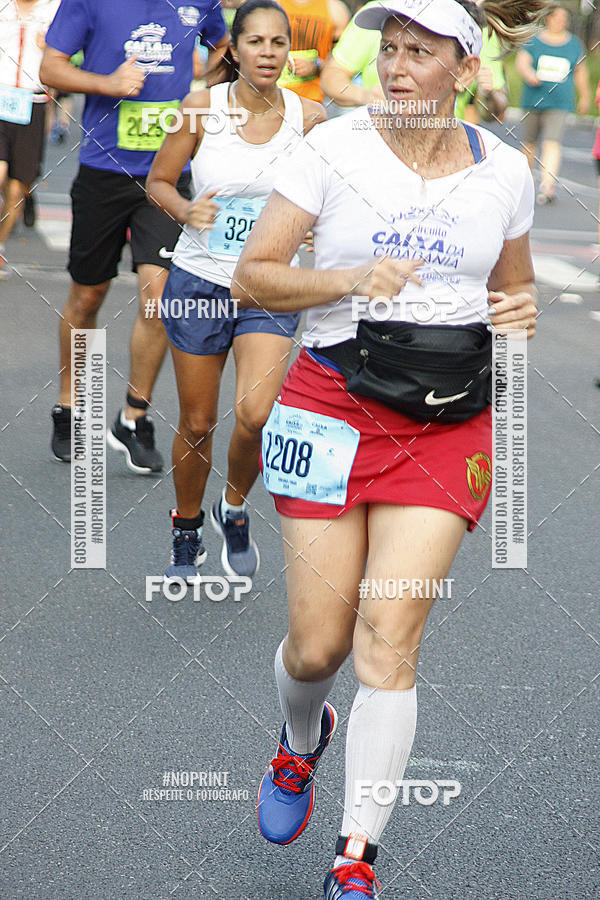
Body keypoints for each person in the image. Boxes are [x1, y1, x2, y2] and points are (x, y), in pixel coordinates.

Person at [234, 0, 544, 895]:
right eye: (390, 49)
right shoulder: (332, 149)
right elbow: (257, 272)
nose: (397, 66)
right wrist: (347, 278)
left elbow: (513, 295)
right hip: (329, 406)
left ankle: (355, 859)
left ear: (465, 69)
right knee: (316, 647)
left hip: (446, 422)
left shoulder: (506, 170)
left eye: (421, 52)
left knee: (389, 638)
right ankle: (301, 741)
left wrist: (520, 315)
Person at [145, 0, 325, 579]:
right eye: (256, 42)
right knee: (197, 422)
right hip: (199, 281)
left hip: (268, 286)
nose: (268, 54)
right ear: (235, 49)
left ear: (289, 52)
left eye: (278, 43)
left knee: (256, 413)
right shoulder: (200, 109)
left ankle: (235, 506)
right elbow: (158, 182)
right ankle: (187, 528)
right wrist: (186, 210)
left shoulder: (312, 118)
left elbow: (331, 193)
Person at [40, 0, 229, 470]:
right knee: (87, 296)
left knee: (158, 296)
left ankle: (133, 416)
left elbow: (223, 44)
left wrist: (206, 91)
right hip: (104, 170)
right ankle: (69, 406)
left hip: (167, 173)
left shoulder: (200, 2)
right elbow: (50, 68)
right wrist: (107, 84)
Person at [0, 0, 61, 280]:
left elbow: (67, 53)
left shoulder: (55, 8)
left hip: (33, 103)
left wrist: (53, 48)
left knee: (16, 191)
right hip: (0, 98)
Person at [516, 3, 590, 205]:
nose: (561, 22)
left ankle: (547, 185)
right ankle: (526, 180)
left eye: (564, 19)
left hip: (559, 101)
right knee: (529, 143)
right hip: (534, 99)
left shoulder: (574, 44)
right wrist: (529, 74)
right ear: (548, 19)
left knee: (552, 142)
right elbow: (521, 62)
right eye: (557, 18)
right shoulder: (535, 42)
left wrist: (584, 96)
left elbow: (580, 71)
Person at [277, 0, 350, 103]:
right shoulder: (269, 4)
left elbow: (344, 64)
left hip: (313, 101)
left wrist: (316, 66)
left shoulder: (335, 10)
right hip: (270, 99)